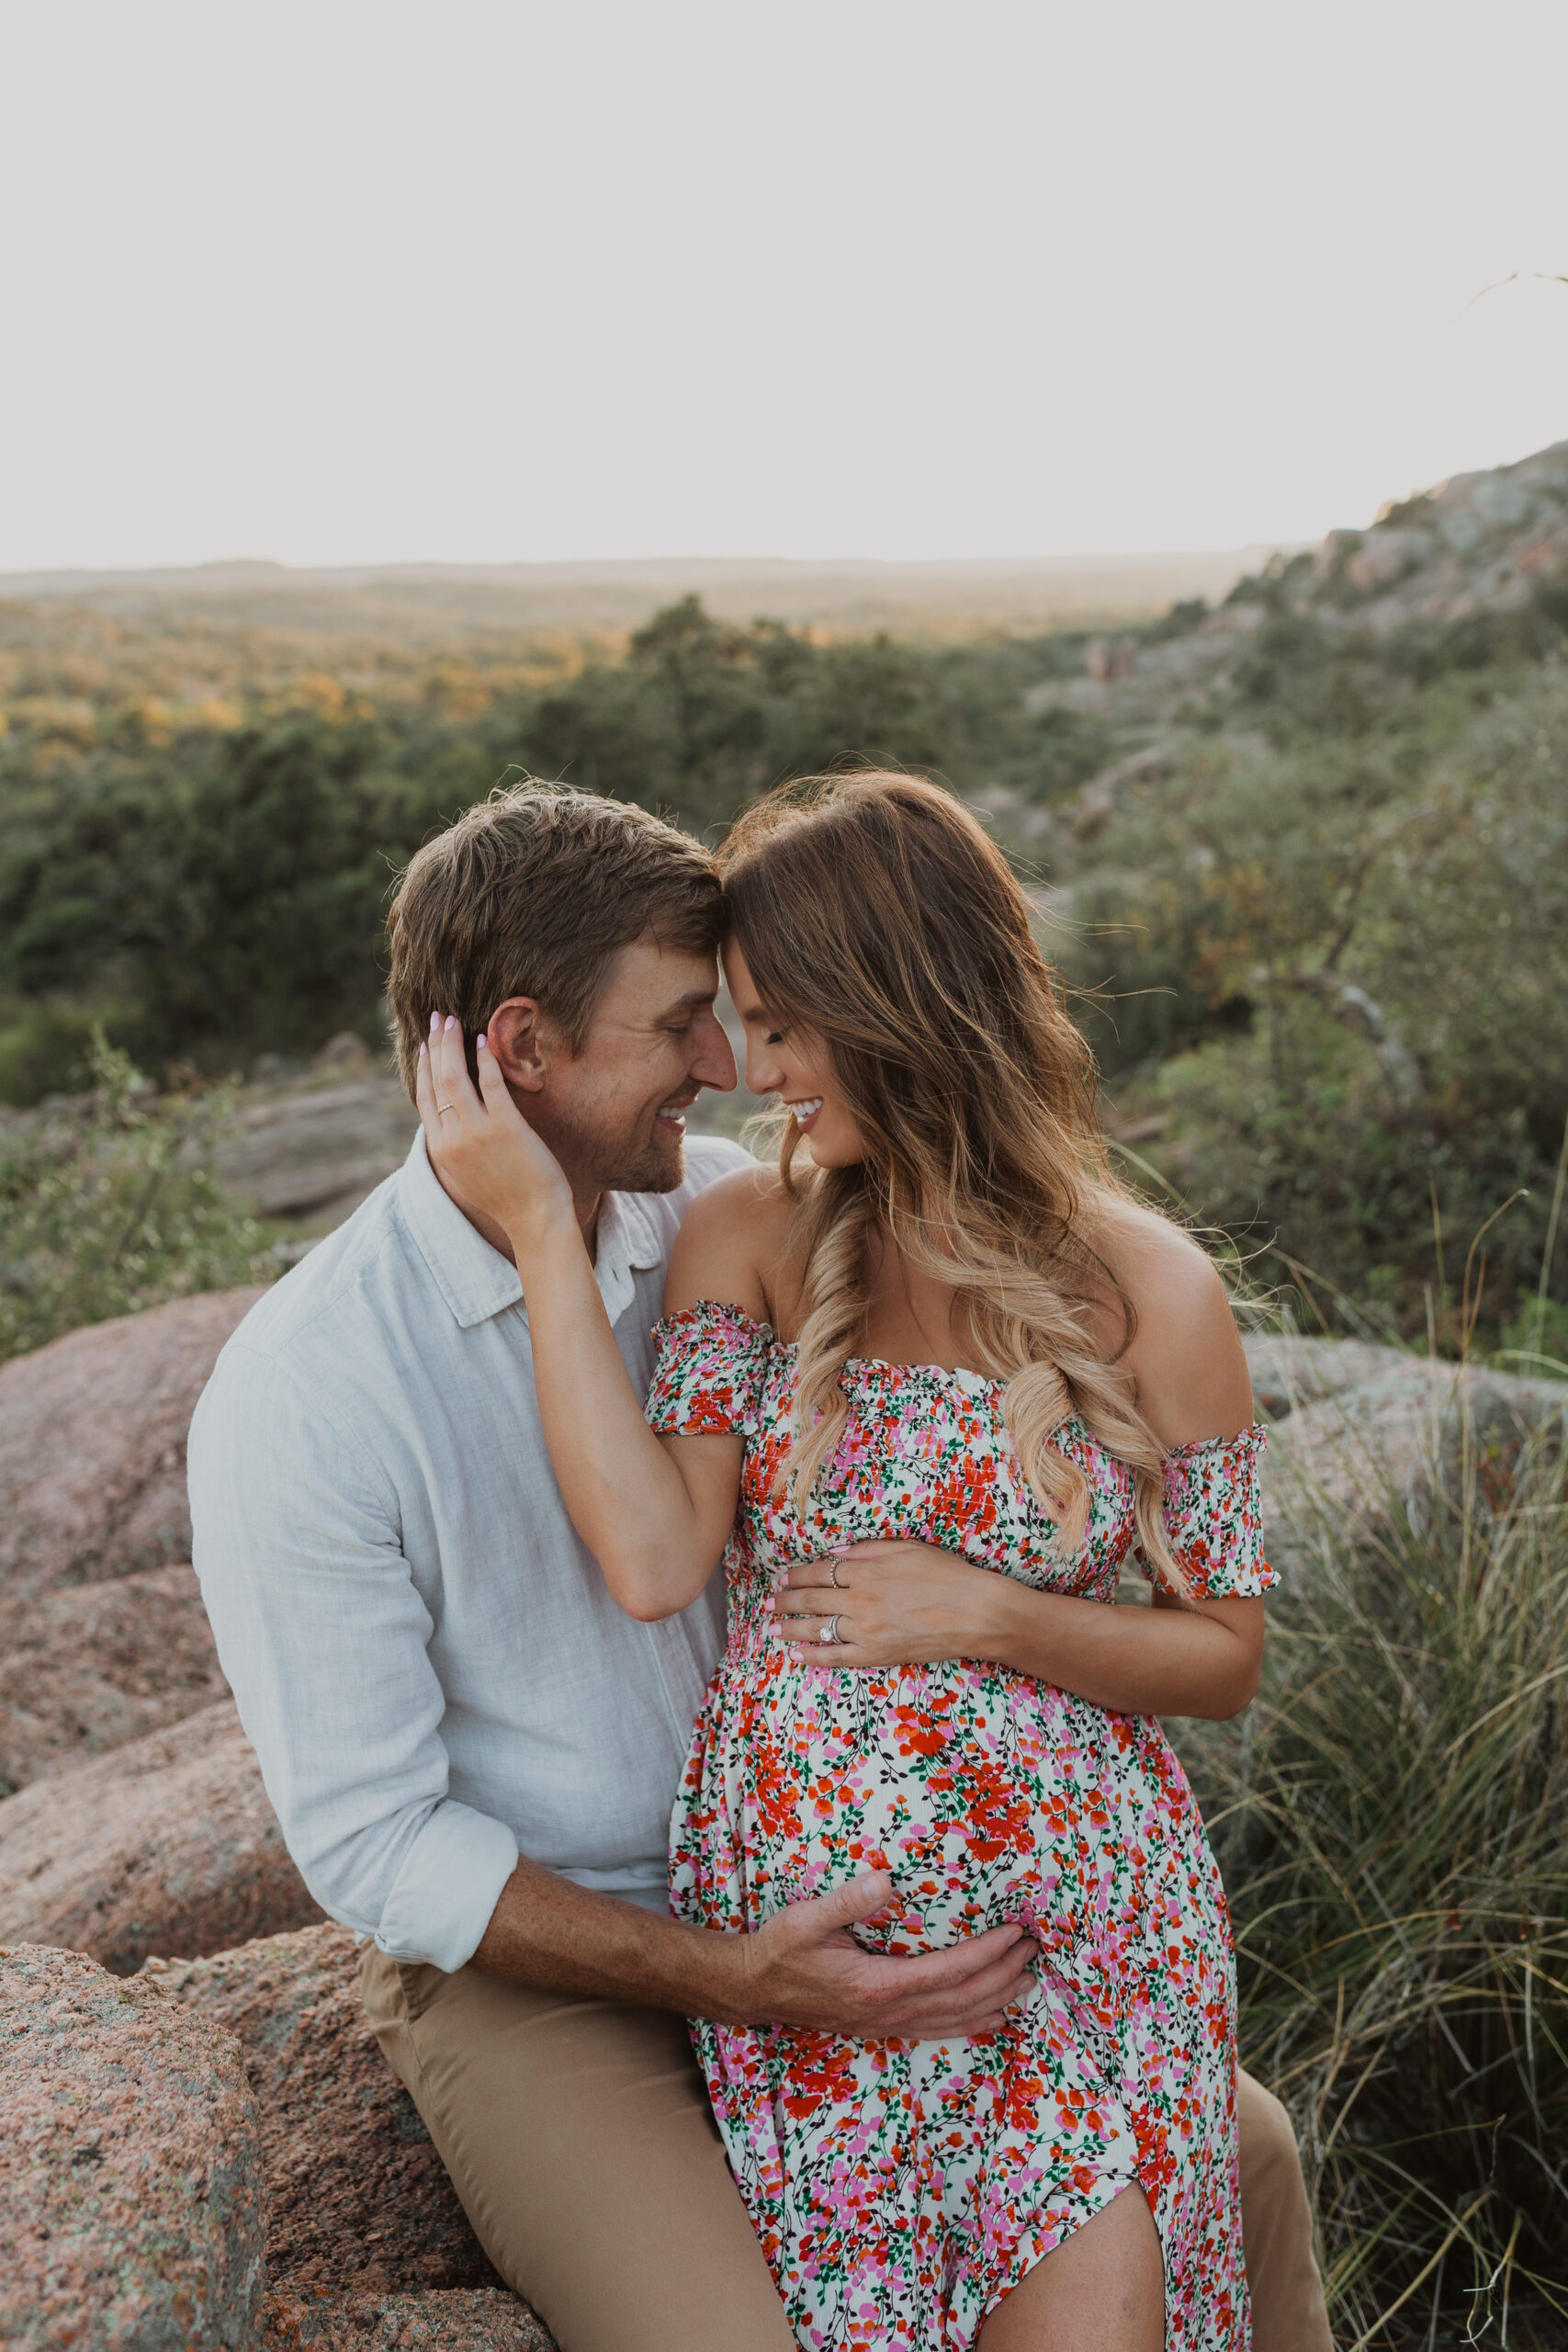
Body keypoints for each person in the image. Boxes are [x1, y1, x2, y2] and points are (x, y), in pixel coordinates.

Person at [188, 781, 1332, 2352]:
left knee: (1242, 2155)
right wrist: (740, 1976)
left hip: (942, 1903)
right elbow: (383, 1846)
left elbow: (1220, 1632)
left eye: (763, 1024)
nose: (732, 1069)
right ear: (523, 1049)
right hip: (574, 1947)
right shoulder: (309, 1388)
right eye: (690, 1026)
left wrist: (993, 1617)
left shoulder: (714, 1197)